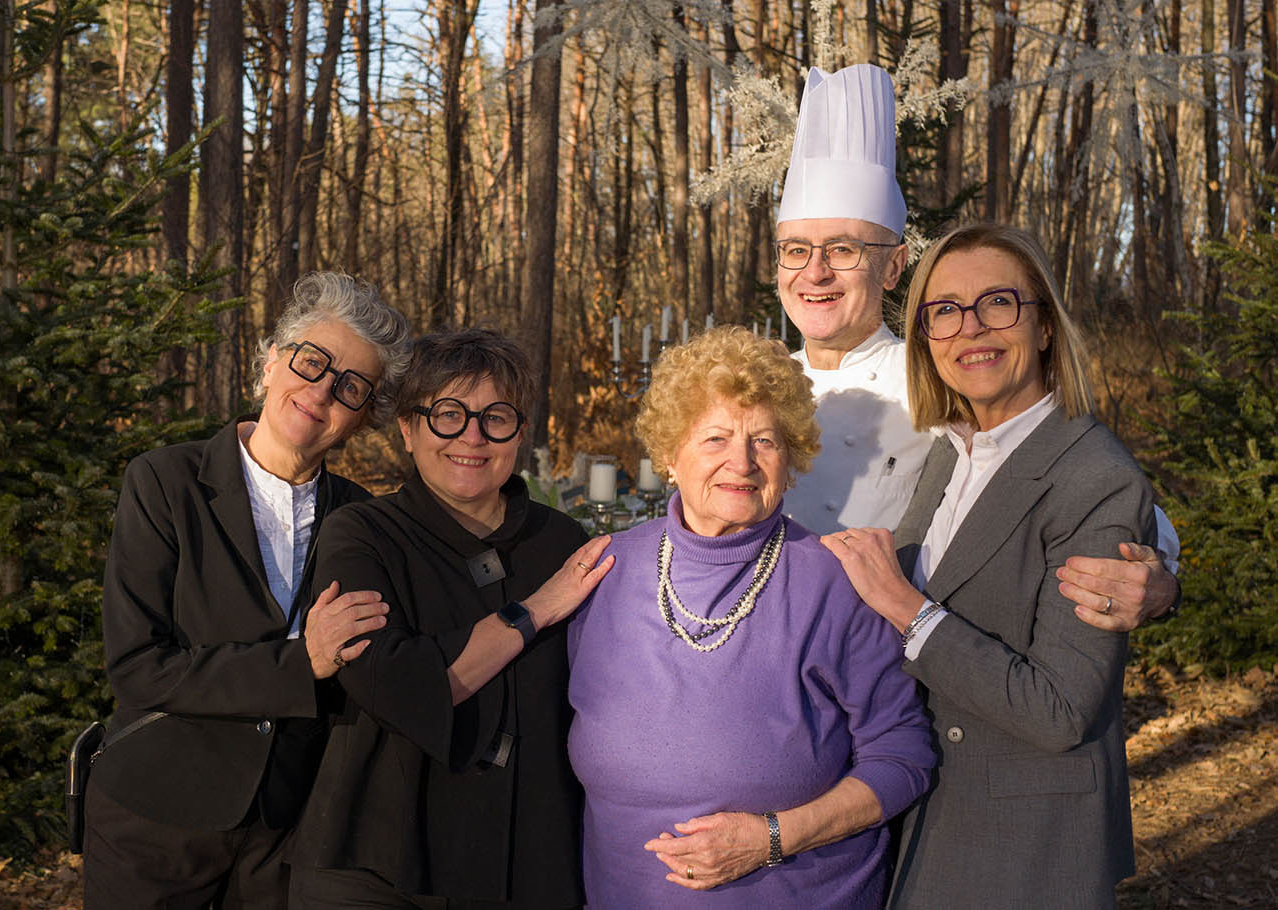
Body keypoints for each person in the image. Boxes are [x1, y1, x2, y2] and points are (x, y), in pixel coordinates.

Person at [773, 63, 1178, 632]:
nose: (815, 273)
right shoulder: (756, 391)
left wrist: (1160, 581)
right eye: (796, 249)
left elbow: (1086, 491)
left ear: (892, 267)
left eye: (842, 250)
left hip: (886, 678)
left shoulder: (935, 379)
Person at [823, 223, 1153, 908]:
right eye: (943, 311)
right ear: (924, 338)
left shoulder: (1093, 474)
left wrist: (904, 608)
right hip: (926, 812)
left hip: (1021, 839)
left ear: (1042, 327)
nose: (970, 329)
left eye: (997, 303)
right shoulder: (952, 449)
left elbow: (1059, 709)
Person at [567, 326, 936, 909]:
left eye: (764, 441)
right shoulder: (604, 573)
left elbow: (904, 755)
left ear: (790, 459)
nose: (741, 462)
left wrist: (770, 839)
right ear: (669, 455)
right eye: (714, 438)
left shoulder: (834, 583)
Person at [85, 273, 411, 909]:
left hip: (282, 833)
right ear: (270, 363)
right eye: (312, 362)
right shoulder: (165, 483)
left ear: (361, 419)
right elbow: (137, 669)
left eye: (350, 386)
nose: (321, 390)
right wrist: (301, 663)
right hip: (154, 820)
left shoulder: (360, 518)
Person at [288, 329, 614, 909]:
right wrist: (536, 610)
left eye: (496, 417)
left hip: (530, 866)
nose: (472, 436)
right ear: (409, 431)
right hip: (381, 868)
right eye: (447, 414)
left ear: (519, 434)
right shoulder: (362, 534)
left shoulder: (562, 541)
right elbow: (394, 683)